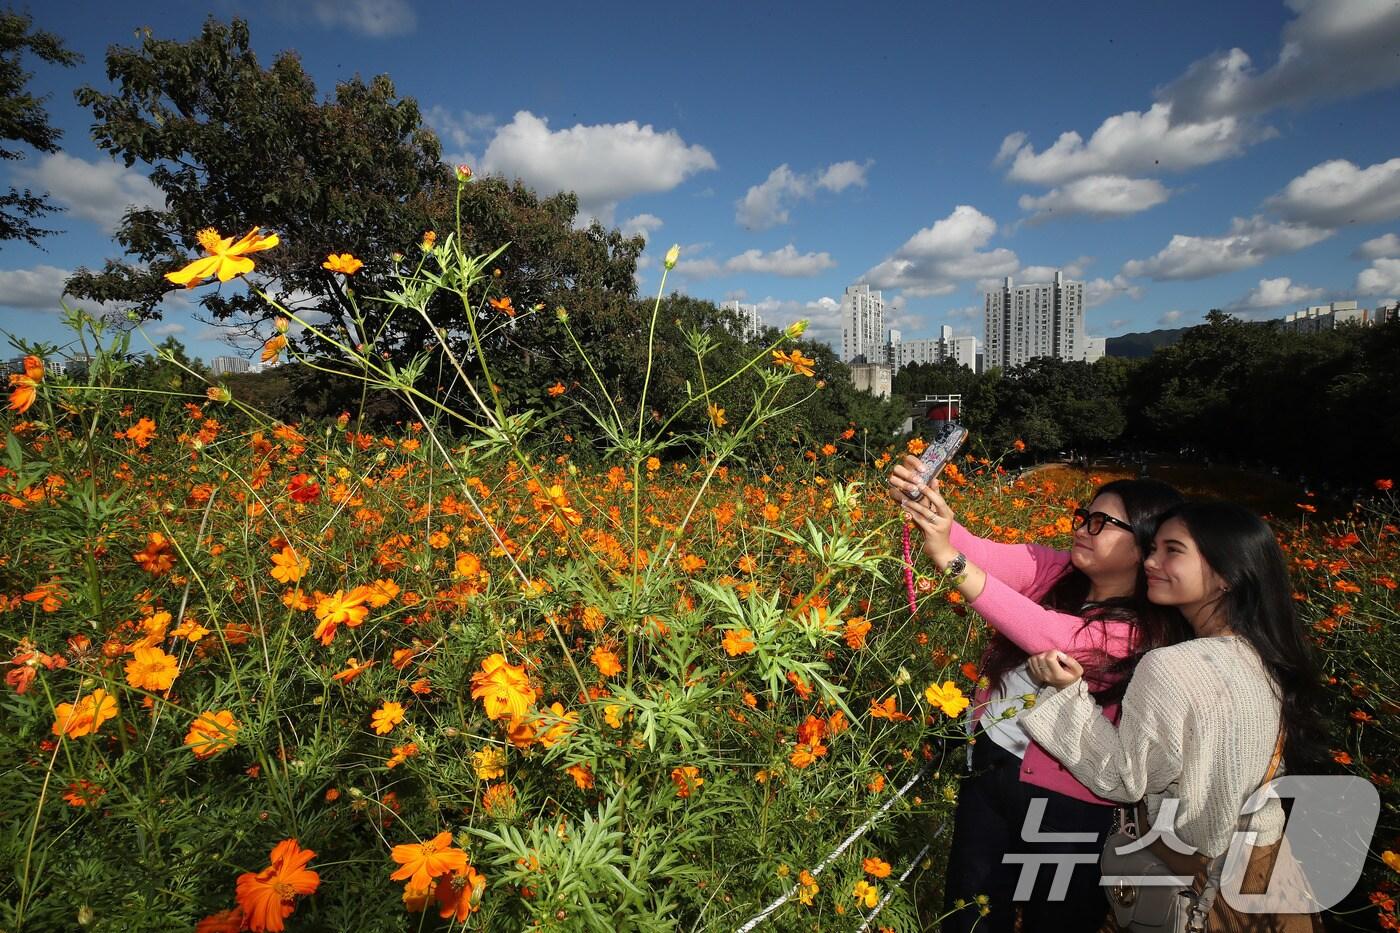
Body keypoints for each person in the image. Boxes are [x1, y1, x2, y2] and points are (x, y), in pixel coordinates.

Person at [890, 458, 1188, 932]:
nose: (1083, 530)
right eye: (1083, 516)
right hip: (991, 765)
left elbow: (1050, 634)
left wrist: (950, 559)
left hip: (1067, 801)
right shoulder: (1057, 570)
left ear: (1143, 547)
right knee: (971, 909)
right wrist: (928, 507)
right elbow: (973, 549)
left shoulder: (1141, 630)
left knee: (1055, 920)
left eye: (1102, 523)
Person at [1021, 501, 1328, 931]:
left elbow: (1122, 777)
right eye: (1153, 548)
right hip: (1269, 875)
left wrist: (1065, 694)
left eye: (1172, 550)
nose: (1150, 561)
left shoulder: (1170, 666)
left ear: (1225, 575)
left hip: (1196, 881)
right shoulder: (1267, 658)